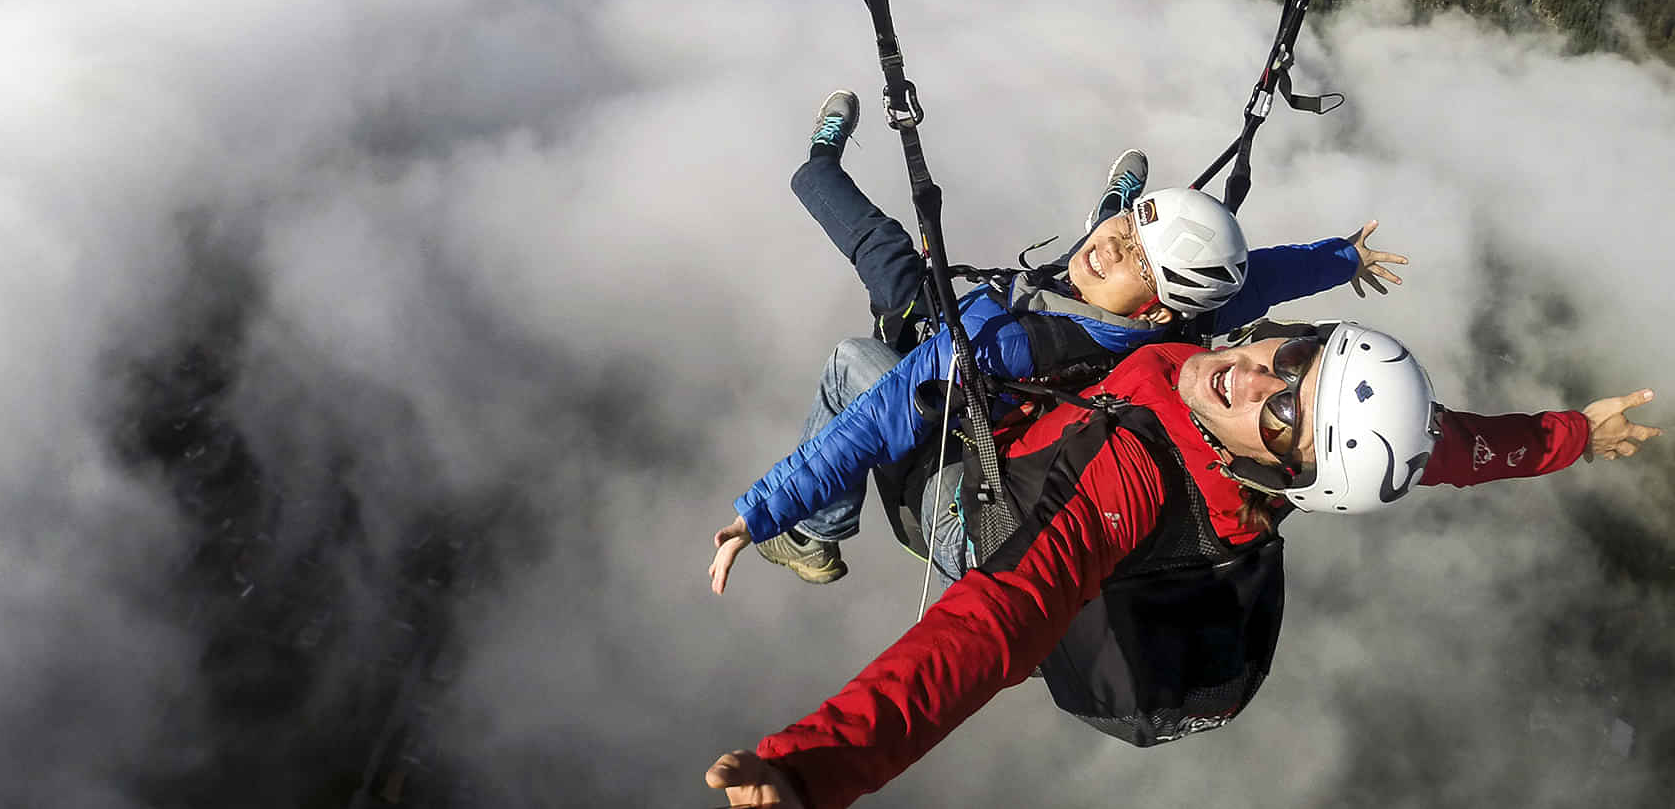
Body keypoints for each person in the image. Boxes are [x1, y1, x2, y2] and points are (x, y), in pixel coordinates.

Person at [704, 319, 1660, 808]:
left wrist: (814, 766)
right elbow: (1448, 447)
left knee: (869, 365)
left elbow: (987, 634)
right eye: (1294, 357)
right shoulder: (1288, 442)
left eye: (1280, 412)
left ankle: (810, 532)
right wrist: (1570, 434)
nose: (1249, 375)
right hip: (1045, 454)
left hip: (965, 513)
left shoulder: (1132, 479)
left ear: (1279, 470)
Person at [744, 90, 1406, 584]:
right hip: (1003, 431)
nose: (1117, 247)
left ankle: (811, 533)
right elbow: (1259, 277)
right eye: (1127, 228)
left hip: (967, 509)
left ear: (1154, 308)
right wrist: (1342, 257)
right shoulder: (1182, 318)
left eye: (1140, 257)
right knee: (1051, 270)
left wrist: (766, 509)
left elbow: (876, 419)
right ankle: (1115, 212)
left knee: (856, 342)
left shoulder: (1003, 340)